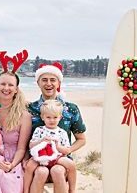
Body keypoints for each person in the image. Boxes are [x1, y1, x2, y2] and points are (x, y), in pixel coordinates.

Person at [24, 63, 87, 193]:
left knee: (57, 170)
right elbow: (24, 140)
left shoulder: (71, 109)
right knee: (41, 172)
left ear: (58, 83)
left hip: (60, 161)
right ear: (38, 83)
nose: (48, 84)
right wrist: (26, 159)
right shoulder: (29, 109)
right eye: (44, 80)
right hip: (38, 160)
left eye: (53, 80)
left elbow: (81, 139)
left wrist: (67, 150)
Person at [0, 67, 32, 193]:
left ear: (16, 90)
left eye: (11, 85)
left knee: (10, 181)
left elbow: (22, 148)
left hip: (14, 160)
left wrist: (12, 164)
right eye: (3, 84)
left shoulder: (24, 116)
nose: (6, 88)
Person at [28, 100, 74, 192]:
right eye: (48, 117)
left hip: (57, 161)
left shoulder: (62, 133)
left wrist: (58, 146)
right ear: (42, 117)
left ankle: (72, 189)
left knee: (59, 170)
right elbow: (31, 146)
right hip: (42, 160)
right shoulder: (39, 130)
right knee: (40, 172)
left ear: (60, 117)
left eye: (55, 117)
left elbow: (67, 150)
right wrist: (41, 140)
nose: (52, 120)